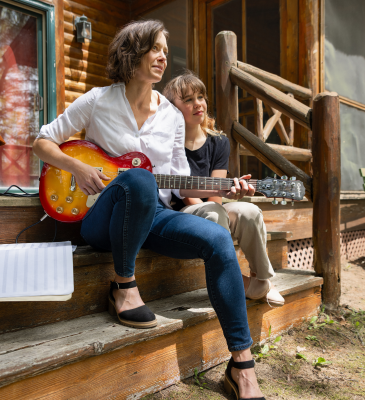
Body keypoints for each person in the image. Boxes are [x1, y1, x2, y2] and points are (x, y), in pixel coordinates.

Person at [33, 20, 265, 399]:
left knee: (219, 238)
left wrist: (226, 187)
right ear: (131, 53)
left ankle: (242, 366)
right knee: (138, 179)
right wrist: (77, 166)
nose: (162, 57)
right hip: (99, 220)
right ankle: (124, 287)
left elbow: (176, 180)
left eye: (164, 50)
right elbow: (43, 141)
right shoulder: (97, 100)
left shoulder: (172, 117)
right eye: (154, 48)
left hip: (152, 216)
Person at [163, 71, 284, 308]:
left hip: (211, 208)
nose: (198, 103)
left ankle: (263, 281)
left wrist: (232, 194)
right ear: (172, 109)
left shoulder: (218, 142)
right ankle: (236, 282)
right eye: (188, 100)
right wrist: (215, 216)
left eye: (201, 96)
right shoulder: (167, 144)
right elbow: (186, 196)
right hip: (178, 215)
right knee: (212, 212)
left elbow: (215, 194)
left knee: (248, 212)